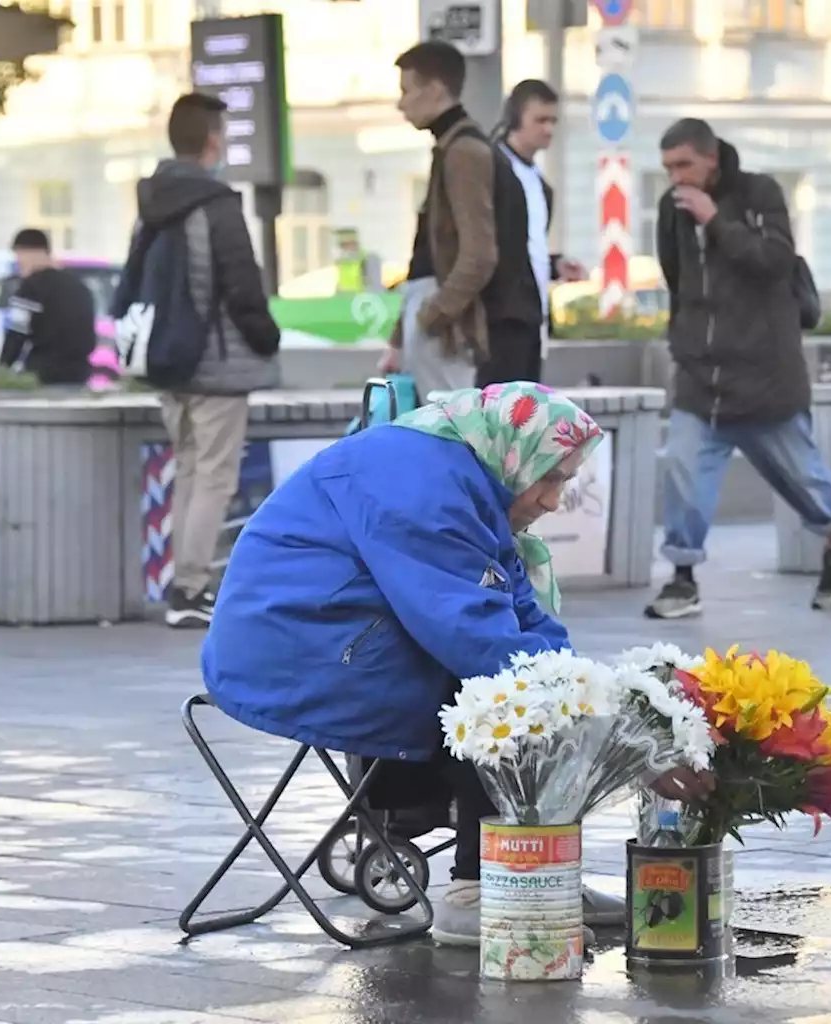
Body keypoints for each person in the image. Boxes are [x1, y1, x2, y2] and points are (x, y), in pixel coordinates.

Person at [203, 382, 693, 947]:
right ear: (515, 452)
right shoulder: (422, 484)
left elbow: (519, 613)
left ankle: (535, 865)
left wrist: (603, 706)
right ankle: (480, 886)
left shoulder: (467, 473)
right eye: (552, 477)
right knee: (501, 699)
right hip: (295, 655)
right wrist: (620, 739)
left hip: (335, 632)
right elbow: (475, 638)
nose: (555, 500)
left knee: (532, 688)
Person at [645, 118, 831, 620]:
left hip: (765, 375)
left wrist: (716, 221)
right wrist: (684, 339)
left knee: (803, 480)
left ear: (710, 158)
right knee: (683, 470)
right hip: (702, 379)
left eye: (684, 165)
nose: (676, 177)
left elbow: (774, 260)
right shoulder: (670, 209)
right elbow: (676, 277)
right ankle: (682, 578)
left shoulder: (758, 193)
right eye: (668, 168)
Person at [113, 92, 281, 629]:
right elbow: (243, 287)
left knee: (187, 468)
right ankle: (188, 588)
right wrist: (266, 338)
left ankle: (181, 586)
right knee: (213, 477)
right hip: (217, 365)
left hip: (168, 362)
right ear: (212, 139)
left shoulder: (152, 205)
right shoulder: (216, 203)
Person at [377, 42, 543, 394]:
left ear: (435, 90)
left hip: (475, 332)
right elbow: (429, 251)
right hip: (478, 323)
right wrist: (403, 332)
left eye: (407, 90)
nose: (401, 103)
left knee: (456, 438)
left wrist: (429, 318)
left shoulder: (464, 151)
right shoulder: (457, 147)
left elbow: (478, 256)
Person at [494, 79, 587, 371]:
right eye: (540, 120)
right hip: (497, 322)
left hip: (532, 320)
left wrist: (554, 264)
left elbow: (523, 249)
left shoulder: (540, 185)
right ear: (515, 118)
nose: (548, 129)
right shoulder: (493, 169)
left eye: (553, 121)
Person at [0, 228, 95, 386]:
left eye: (19, 255)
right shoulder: (79, 287)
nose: (18, 262)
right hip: (79, 373)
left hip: (42, 373)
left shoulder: (29, 289)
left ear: (31, 253)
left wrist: (2, 370)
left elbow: (16, 334)